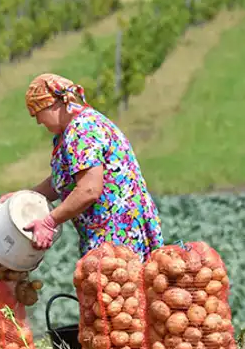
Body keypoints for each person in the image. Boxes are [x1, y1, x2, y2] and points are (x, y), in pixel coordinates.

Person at [19, 73, 163, 261]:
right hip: (103, 237)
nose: (38, 121)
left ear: (53, 105)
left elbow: (89, 189)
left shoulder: (83, 130)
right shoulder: (69, 131)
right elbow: (60, 182)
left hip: (118, 237)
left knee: (120, 287)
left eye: (37, 113)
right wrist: (21, 198)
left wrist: (49, 222)